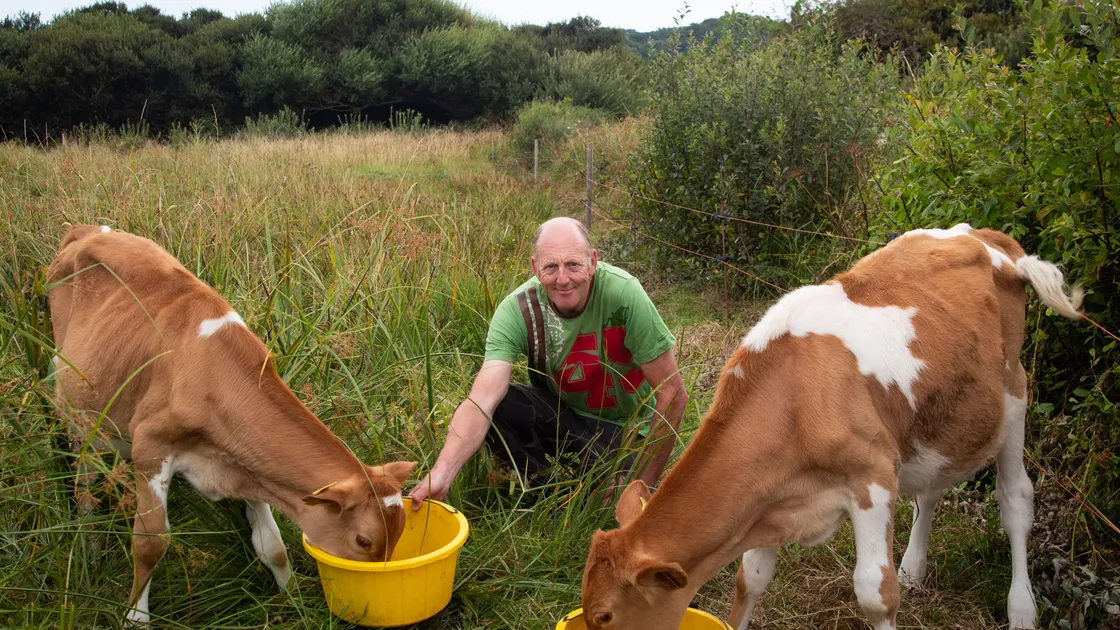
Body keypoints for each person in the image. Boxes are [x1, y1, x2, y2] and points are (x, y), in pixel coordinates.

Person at [408, 217, 688, 510]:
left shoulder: (625, 294)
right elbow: (482, 400)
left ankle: (599, 482)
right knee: (501, 405)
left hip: (626, 428)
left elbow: (673, 394)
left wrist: (642, 486)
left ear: (592, 261)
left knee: (608, 503)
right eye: (550, 267)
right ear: (534, 268)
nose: (563, 278)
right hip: (564, 416)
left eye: (573, 265)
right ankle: (546, 492)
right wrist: (442, 472)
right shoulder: (518, 310)